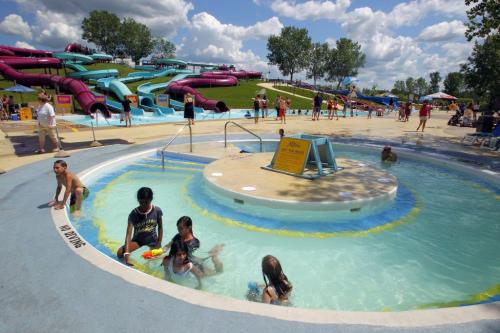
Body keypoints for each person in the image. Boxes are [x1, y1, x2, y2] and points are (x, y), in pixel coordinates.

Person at [117, 187, 163, 266]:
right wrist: (127, 253)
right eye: (141, 203)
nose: (144, 205)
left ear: (151, 200)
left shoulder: (157, 211)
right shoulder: (133, 214)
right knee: (120, 253)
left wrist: (159, 243)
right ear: (138, 200)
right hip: (138, 241)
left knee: (156, 262)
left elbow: (160, 227)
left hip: (152, 241)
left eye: (146, 202)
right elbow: (128, 235)